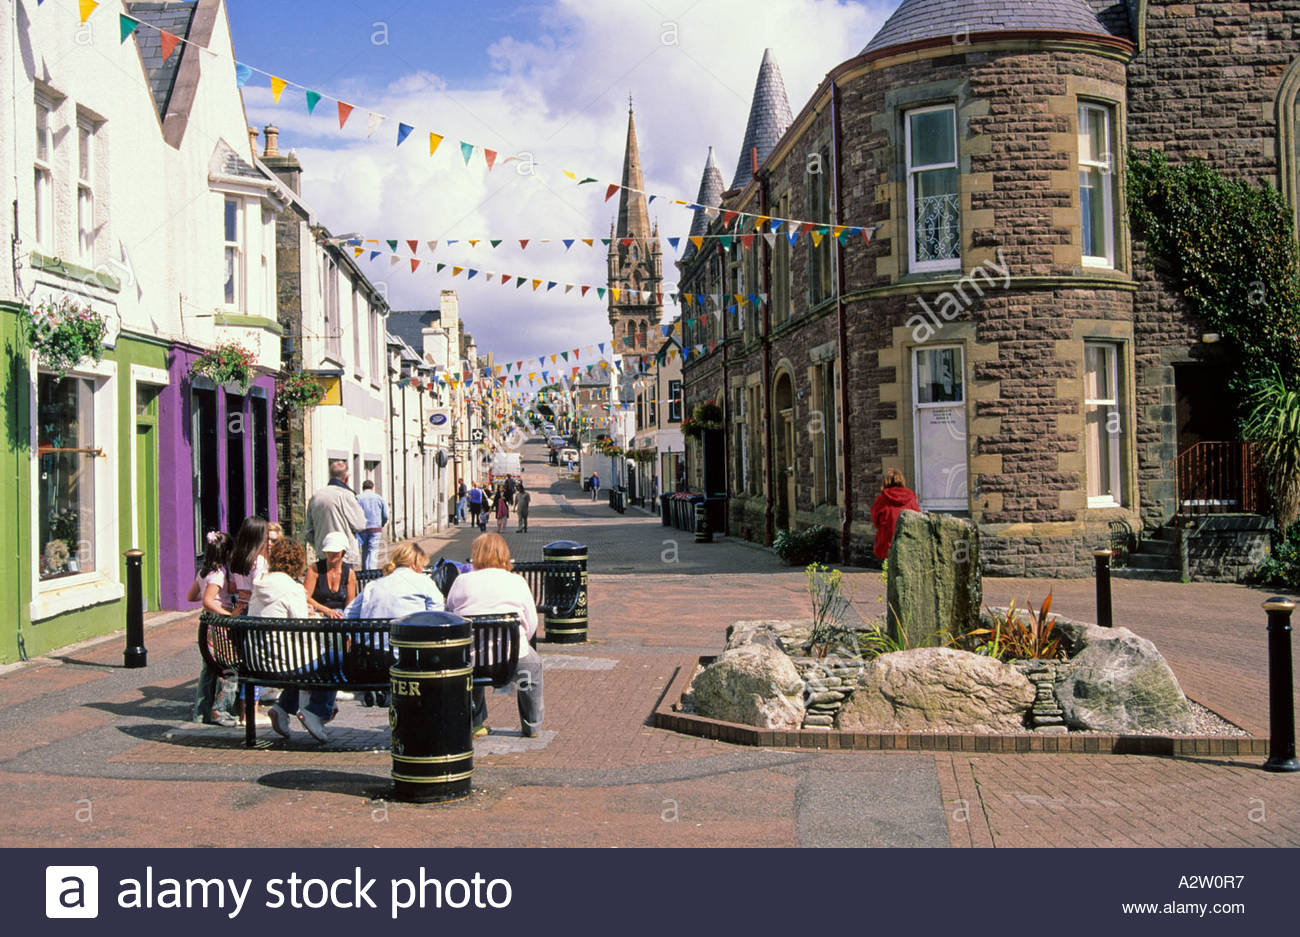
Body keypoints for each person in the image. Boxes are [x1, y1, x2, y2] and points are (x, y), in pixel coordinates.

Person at [444, 533, 543, 738]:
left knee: (472, 660)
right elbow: (532, 623)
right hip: (511, 656)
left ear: (475, 554)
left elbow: (449, 616)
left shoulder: (461, 581)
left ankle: (475, 723)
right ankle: (531, 725)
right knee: (533, 668)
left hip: (470, 658)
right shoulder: (516, 581)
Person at [257, 539, 338, 744]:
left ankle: (282, 708)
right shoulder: (292, 588)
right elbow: (305, 631)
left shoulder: (259, 583)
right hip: (281, 660)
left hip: (256, 660)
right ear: (297, 564)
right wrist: (311, 615)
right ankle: (316, 711)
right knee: (335, 657)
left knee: (307, 661)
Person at [188, 530, 238, 726]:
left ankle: (201, 712)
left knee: (209, 669)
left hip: (208, 625)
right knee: (229, 667)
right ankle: (221, 710)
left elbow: (191, 596)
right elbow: (209, 601)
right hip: (219, 626)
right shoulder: (218, 575)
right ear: (226, 553)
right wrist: (227, 613)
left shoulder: (204, 572)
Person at [343, 542, 444, 619]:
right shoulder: (424, 582)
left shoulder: (372, 586)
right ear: (414, 564)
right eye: (422, 566)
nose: (421, 570)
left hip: (372, 645)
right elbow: (436, 616)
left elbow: (348, 614)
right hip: (409, 645)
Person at [305, 459, 367, 566]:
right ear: (346, 478)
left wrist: (320, 545)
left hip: (323, 553)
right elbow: (360, 524)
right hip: (344, 554)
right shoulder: (346, 495)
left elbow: (309, 531)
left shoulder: (316, 496)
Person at [871, 468, 921, 562]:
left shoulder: (882, 498)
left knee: (887, 571)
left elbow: (876, 519)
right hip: (906, 539)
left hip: (887, 540)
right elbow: (917, 517)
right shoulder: (910, 496)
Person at [304, 530, 357, 619]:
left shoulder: (349, 574)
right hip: (318, 615)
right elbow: (305, 597)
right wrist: (327, 611)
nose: (332, 554)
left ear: (343, 552)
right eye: (329, 551)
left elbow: (350, 605)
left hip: (340, 616)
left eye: (335, 552)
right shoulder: (314, 569)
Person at [227, 516, 270, 614]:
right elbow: (259, 588)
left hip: (239, 608)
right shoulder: (258, 561)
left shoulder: (236, 559)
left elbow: (233, 586)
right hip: (254, 609)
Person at [356, 480, 388, 571]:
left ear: (363, 488)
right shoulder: (379, 498)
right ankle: (372, 572)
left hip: (362, 528)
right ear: (372, 487)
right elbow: (385, 515)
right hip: (375, 528)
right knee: (373, 550)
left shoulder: (358, 498)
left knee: (364, 550)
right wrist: (382, 523)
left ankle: (365, 571)